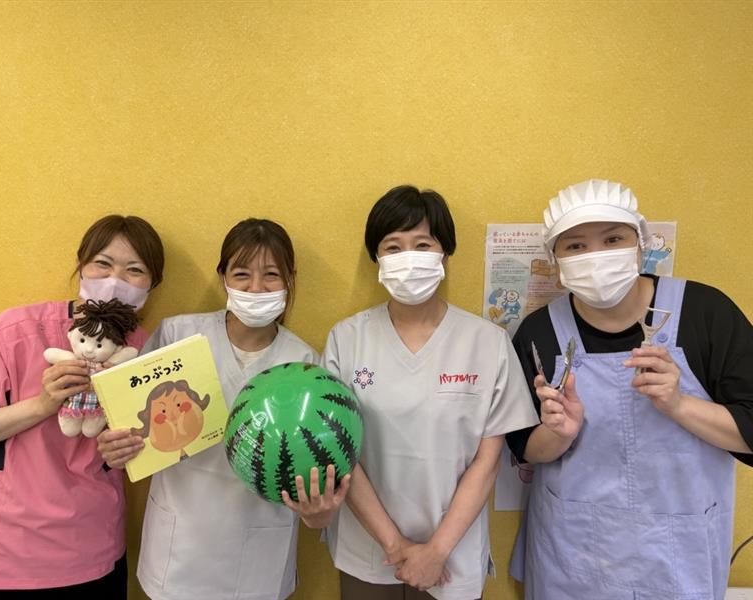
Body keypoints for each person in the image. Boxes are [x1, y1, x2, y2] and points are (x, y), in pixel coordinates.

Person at [506, 179, 753, 600]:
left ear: (641, 244)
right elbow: (524, 447)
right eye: (576, 246)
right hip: (571, 556)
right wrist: (559, 433)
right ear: (555, 260)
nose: (596, 256)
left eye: (613, 239)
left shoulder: (705, 314)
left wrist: (678, 404)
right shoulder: (540, 331)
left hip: (678, 557)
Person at [97, 218, 345, 600]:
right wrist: (116, 446)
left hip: (259, 553)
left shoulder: (305, 364)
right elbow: (130, 423)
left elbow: (312, 468)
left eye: (271, 275)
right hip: (179, 548)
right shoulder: (176, 336)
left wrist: (319, 511)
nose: (256, 288)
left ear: (290, 280)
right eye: (242, 274)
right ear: (223, 278)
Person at [318, 186, 539, 600]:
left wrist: (436, 551)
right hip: (369, 552)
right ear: (376, 258)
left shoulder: (486, 342)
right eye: (393, 247)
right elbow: (341, 451)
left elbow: (487, 462)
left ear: (445, 254)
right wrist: (393, 545)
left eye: (422, 245)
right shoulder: (346, 340)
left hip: (452, 556)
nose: (408, 258)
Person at [0, 215, 165, 599]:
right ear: (81, 265)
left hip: (93, 543)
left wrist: (125, 449)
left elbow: (153, 438)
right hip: (9, 549)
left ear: (152, 284)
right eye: (102, 263)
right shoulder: (15, 331)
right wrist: (41, 405)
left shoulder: (143, 348)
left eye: (134, 270)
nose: (115, 279)